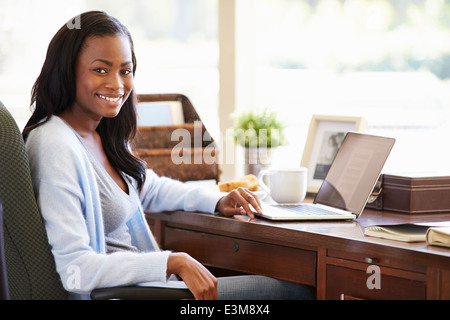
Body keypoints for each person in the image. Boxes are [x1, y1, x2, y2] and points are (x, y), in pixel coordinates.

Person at [23, 11, 314, 300]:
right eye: (100, 69)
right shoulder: (54, 144)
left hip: (146, 289)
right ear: (66, 70)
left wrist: (217, 200)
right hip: (130, 295)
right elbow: (76, 269)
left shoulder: (100, 135)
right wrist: (173, 261)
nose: (117, 84)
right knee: (293, 292)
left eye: (125, 71)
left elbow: (149, 187)